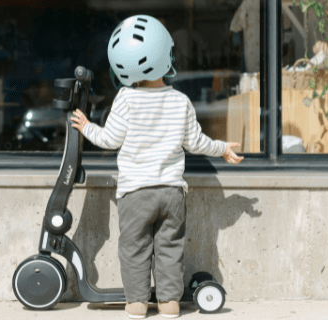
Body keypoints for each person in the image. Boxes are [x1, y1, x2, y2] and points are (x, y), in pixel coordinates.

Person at [70, 15, 243, 319]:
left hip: (136, 194)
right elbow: (196, 142)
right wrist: (222, 148)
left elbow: (109, 140)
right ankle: (169, 303)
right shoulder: (180, 101)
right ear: (167, 56)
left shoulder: (125, 99)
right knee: (169, 249)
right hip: (171, 194)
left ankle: (137, 303)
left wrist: (86, 126)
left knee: (135, 249)